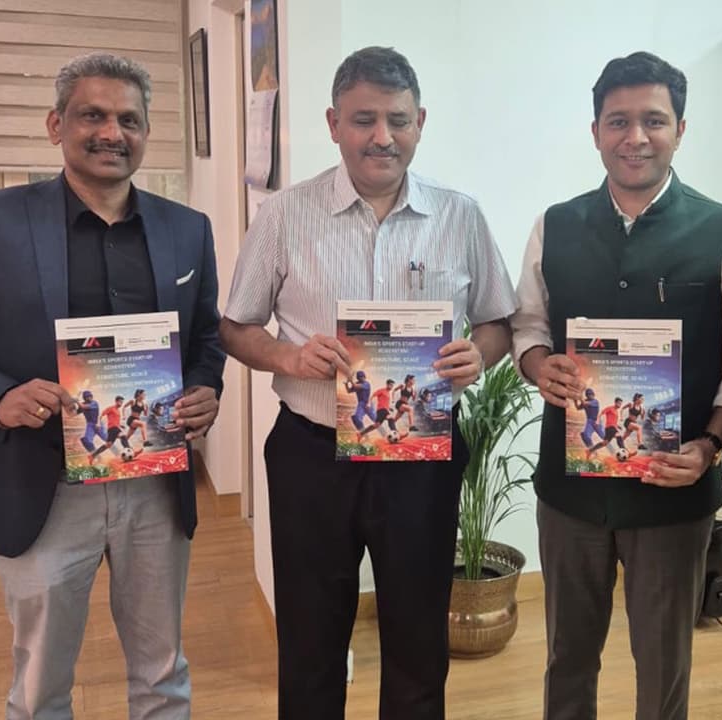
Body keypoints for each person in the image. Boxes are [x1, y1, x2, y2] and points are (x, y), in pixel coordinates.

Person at [0, 52, 225, 719]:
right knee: (42, 685)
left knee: (163, 677)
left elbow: (207, 340)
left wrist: (203, 388)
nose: (112, 132)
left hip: (154, 489)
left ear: (146, 132)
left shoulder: (187, 229)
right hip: (41, 488)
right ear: (56, 125)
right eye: (93, 115)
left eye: (129, 119)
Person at [218, 46, 517, 719]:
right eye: (363, 119)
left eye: (398, 120)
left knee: (416, 638)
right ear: (332, 123)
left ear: (420, 123)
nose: (383, 136)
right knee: (310, 634)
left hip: (422, 456)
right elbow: (235, 328)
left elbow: (500, 321)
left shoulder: (460, 215)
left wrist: (481, 355)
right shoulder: (284, 216)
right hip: (312, 453)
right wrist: (288, 359)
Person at [510, 51, 722, 719]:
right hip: (569, 491)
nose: (636, 138)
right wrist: (540, 364)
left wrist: (710, 447)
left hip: (672, 491)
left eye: (653, 120)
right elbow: (528, 325)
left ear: (681, 129)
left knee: (663, 662)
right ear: (594, 131)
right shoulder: (554, 225)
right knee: (568, 655)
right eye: (618, 121)